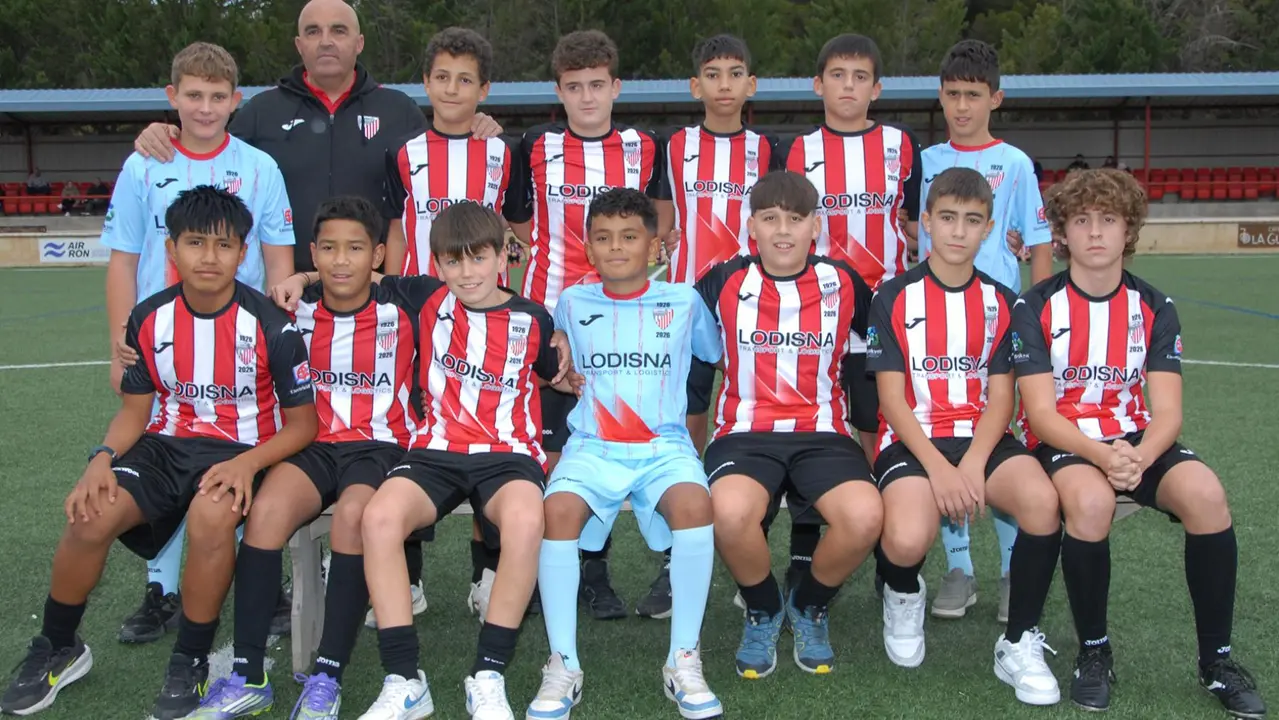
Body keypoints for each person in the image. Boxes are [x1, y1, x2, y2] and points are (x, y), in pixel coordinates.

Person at [131, 0, 475, 631]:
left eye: (338, 30)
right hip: (287, 304)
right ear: (297, 41)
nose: (326, 41)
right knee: (218, 431)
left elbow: (441, 154)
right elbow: (209, 140)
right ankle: (175, 590)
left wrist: (481, 127)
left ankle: (404, 574)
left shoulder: (398, 109)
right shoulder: (262, 110)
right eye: (313, 31)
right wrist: (163, 133)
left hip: (381, 299)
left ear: (360, 41)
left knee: (391, 416)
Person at [0, 186, 317, 719]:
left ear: (244, 253)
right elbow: (134, 412)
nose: (209, 257)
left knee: (211, 517)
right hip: (165, 447)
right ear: (172, 249)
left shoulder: (273, 325)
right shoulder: (149, 318)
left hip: (242, 449)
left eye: (223, 245)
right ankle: (57, 646)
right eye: (196, 243)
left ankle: (190, 660)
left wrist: (247, 463)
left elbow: (302, 426)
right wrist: (100, 458)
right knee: (88, 515)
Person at [1012, 168, 1266, 717]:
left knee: (1206, 495)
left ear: (1129, 231)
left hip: (1136, 439)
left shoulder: (1155, 305)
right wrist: (1105, 458)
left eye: (1109, 220)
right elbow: (1038, 413)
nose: (1096, 232)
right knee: (1092, 501)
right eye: (1082, 221)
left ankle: (1217, 661)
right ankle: (1094, 651)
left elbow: (1168, 411)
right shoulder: (1034, 306)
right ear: (1062, 233)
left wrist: (1140, 457)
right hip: (1066, 438)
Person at [317, 202, 569, 720]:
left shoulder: (533, 318)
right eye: (453, 262)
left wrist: (562, 355)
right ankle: (404, 679)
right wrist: (299, 278)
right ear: (437, 264)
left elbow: (552, 366)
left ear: (504, 256)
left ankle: (489, 675)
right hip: (436, 450)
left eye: (478, 259)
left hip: (507, 456)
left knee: (525, 519)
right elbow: (351, 275)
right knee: (379, 517)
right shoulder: (423, 297)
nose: (466, 273)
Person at [170, 197, 415, 719]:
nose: (341, 261)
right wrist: (301, 280)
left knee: (353, 517)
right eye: (328, 249)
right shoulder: (285, 312)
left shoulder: (406, 301)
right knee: (264, 514)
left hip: (379, 447)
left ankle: (327, 675)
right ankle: (248, 674)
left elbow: (481, 291)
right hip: (311, 446)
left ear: (377, 255)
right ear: (313, 254)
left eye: (354, 249)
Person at [103, 41, 297, 647]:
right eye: (194, 95)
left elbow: (277, 259)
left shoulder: (259, 167)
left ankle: (256, 583)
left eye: (218, 97)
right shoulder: (145, 163)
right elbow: (123, 258)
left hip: (239, 347)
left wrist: (279, 328)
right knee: (163, 454)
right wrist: (118, 340)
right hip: (161, 345)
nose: (206, 108)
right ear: (172, 98)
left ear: (235, 102)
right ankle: (163, 589)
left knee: (237, 460)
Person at [866, 167, 1063, 706]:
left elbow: (1002, 398)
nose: (957, 231)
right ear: (926, 222)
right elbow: (892, 400)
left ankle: (1019, 641)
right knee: (906, 539)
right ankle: (903, 594)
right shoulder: (891, 297)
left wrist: (973, 464)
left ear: (989, 229)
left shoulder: (1005, 302)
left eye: (972, 221)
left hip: (983, 439)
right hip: (913, 439)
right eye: (947, 218)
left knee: (1043, 502)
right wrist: (940, 468)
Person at [527, 188, 723, 720]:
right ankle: (562, 663)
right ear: (588, 248)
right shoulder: (571, 302)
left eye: (630, 237)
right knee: (557, 513)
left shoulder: (684, 300)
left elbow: (718, 351)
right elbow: (555, 351)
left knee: (695, 508)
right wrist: (561, 352)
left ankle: (683, 658)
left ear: (654, 246)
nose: (616, 248)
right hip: (593, 445)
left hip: (663, 446)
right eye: (604, 238)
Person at [505, 29, 672, 621]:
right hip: (553, 315)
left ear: (616, 86)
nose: (586, 98)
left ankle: (595, 574)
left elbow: (661, 228)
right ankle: (556, 567)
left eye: (597, 85)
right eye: (574, 88)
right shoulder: (532, 145)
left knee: (610, 436)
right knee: (555, 444)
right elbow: (519, 232)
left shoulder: (647, 146)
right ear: (559, 90)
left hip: (622, 319)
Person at [698, 171, 880, 679]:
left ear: (815, 226)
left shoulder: (843, 282)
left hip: (823, 432)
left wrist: (874, 441)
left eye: (796, 219)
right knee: (730, 513)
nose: (783, 230)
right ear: (751, 224)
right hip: (744, 432)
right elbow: (682, 351)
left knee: (865, 517)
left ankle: (807, 603)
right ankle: (762, 607)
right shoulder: (722, 280)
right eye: (771, 218)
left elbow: (882, 356)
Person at [379, 27, 529, 623]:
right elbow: (395, 229)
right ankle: (408, 578)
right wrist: (390, 297)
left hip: (486, 314)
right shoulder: (403, 152)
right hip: (422, 314)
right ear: (425, 83)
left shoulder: (501, 152)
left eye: (465, 79)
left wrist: (509, 294)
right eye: (441, 77)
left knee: (488, 431)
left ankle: (486, 574)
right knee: (413, 425)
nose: (451, 88)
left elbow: (517, 226)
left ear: (484, 89)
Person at [644, 33, 784, 622]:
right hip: (689, 308)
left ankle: (751, 542)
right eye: (712, 74)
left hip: (759, 305)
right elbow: (663, 222)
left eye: (735, 73)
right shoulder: (671, 146)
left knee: (764, 421)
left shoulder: (774, 149)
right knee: (687, 430)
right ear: (695, 86)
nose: (724, 85)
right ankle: (684, 553)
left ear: (751, 85)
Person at [915, 39, 1054, 623]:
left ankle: (1010, 566)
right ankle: (958, 568)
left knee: (996, 439)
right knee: (946, 431)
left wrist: (1038, 317)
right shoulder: (923, 163)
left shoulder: (1016, 164)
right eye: (952, 95)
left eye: (973, 95)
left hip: (997, 325)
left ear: (995, 98)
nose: (962, 106)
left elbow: (1038, 242)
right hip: (934, 323)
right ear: (940, 98)